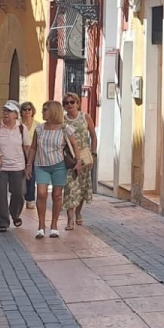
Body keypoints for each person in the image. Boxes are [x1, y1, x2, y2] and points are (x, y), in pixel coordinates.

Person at [27, 100, 75, 239]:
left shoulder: (64, 128)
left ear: (53, 111)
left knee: (57, 194)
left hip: (59, 165)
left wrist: (78, 162)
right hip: (41, 164)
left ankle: (54, 225)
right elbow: (33, 147)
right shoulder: (39, 129)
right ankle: (41, 225)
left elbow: (74, 146)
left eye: (45, 109)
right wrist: (29, 165)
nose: (42, 112)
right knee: (41, 193)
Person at [0, 100, 31, 232]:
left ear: (15, 114)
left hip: (18, 167)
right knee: (0, 195)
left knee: (19, 193)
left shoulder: (21, 128)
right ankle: (2, 222)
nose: (5, 113)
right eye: (4, 111)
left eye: (9, 111)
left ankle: (15, 214)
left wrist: (29, 164)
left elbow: (26, 147)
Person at [61, 92, 96, 229]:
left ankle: (78, 212)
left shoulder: (85, 117)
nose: (69, 104)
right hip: (70, 158)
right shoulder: (63, 121)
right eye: (66, 103)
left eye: (72, 102)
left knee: (81, 188)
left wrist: (93, 153)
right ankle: (70, 220)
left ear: (77, 103)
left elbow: (93, 136)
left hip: (85, 157)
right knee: (70, 188)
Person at [20, 101, 38, 210]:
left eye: (29, 109)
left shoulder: (37, 124)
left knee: (31, 176)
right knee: (19, 176)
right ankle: (20, 196)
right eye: (24, 109)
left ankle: (30, 199)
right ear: (21, 112)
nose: (27, 111)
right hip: (19, 153)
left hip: (33, 152)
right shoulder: (17, 124)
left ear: (32, 111)